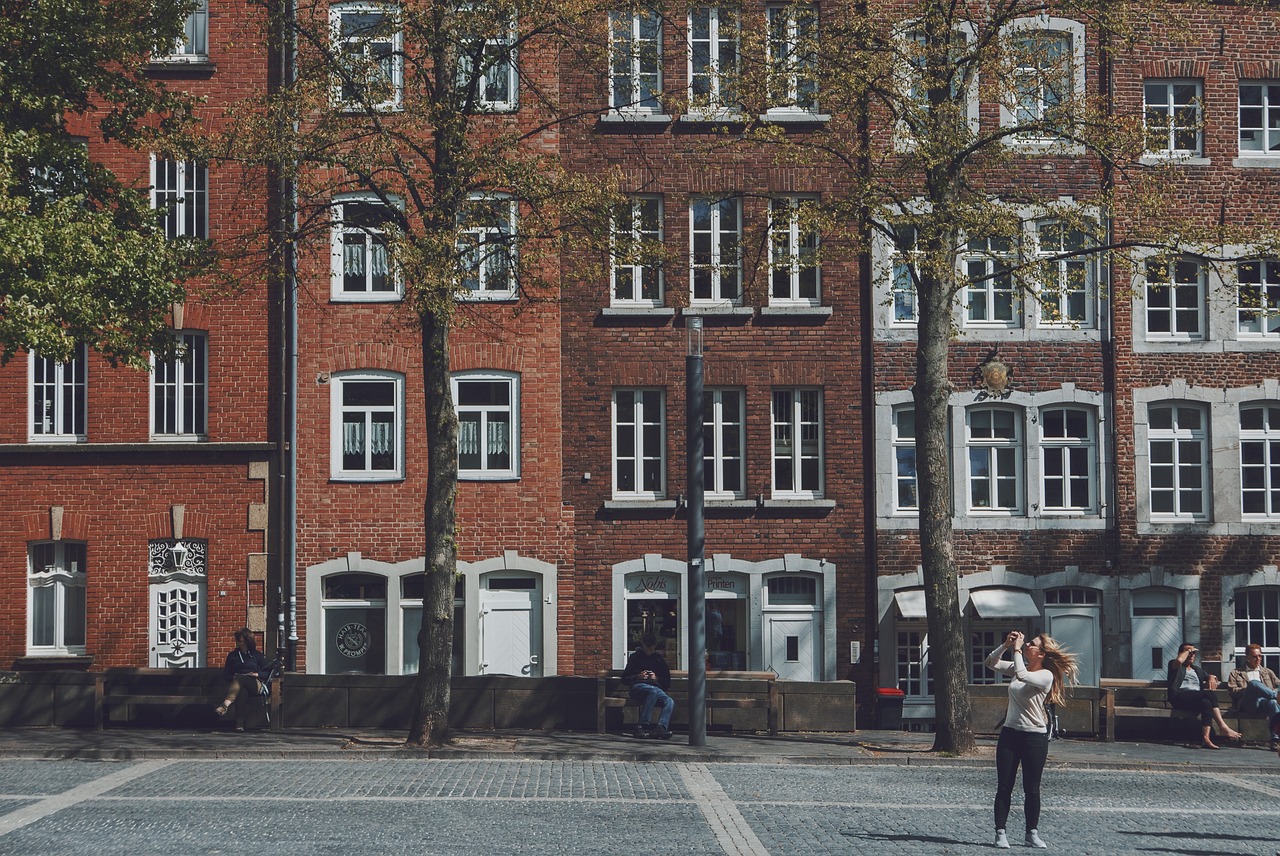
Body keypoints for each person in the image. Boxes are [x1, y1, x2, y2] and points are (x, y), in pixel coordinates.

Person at [984, 630, 1079, 850]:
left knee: (1032, 788)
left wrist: (1017, 650)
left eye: (1032, 644)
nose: (1027, 644)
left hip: (1034, 737)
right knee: (1004, 786)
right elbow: (991, 663)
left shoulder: (1045, 675)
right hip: (1010, 734)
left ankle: (1031, 833)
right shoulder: (1020, 667)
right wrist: (1006, 644)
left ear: (1042, 654)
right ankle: (1000, 832)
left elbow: (1023, 676)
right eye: (1027, 643)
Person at [1166, 642, 1242, 750]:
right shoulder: (1174, 665)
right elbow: (1179, 660)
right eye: (1189, 652)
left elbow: (1211, 676)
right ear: (1182, 653)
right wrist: (1188, 651)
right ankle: (1223, 726)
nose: (1192, 655)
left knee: (1206, 703)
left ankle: (1206, 739)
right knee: (1209, 694)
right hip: (1179, 697)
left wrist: (1211, 677)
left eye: (1194, 653)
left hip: (1194, 699)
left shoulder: (1197, 670)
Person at [1226, 643, 1280, 754]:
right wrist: (1249, 689)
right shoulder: (1236, 673)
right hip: (1248, 704)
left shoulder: (1267, 672)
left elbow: (1279, 684)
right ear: (1247, 657)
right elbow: (1232, 691)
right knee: (1254, 683)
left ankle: (1275, 739)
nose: (1258, 658)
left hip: (1264, 704)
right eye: (1255, 656)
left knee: (1273, 702)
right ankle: (1273, 695)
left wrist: (1276, 691)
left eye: (1260, 656)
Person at [215, 628, 270, 731]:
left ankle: (226, 703)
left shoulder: (257, 655)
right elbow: (226, 674)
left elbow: (267, 672)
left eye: (240, 640)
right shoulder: (232, 656)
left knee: (242, 678)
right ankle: (239, 723)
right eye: (237, 640)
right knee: (242, 692)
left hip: (255, 684)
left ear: (247, 641)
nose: (238, 642)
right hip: (237, 686)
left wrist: (257, 674)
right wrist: (234, 678)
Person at [622, 632, 673, 739]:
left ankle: (661, 727)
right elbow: (625, 679)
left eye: (651, 648)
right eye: (646, 648)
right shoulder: (635, 657)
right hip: (638, 686)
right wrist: (638, 676)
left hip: (655, 686)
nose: (649, 651)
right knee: (652, 691)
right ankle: (642, 725)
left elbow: (666, 683)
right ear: (643, 645)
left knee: (669, 701)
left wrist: (656, 678)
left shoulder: (659, 660)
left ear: (655, 646)